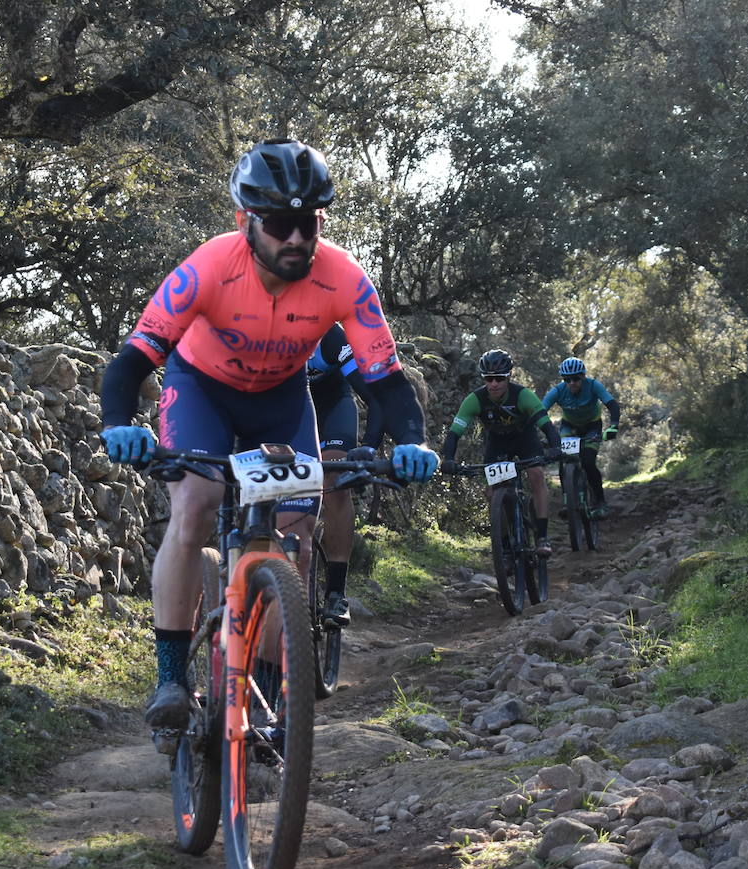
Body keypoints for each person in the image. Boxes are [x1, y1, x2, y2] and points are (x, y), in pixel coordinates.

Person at [97, 138, 439, 732]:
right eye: (280, 224)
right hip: (202, 390)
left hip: (282, 401)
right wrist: (120, 424)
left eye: (308, 223)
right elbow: (131, 362)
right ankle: (172, 676)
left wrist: (412, 440)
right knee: (196, 506)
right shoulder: (207, 266)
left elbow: (387, 382)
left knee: (297, 531)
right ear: (245, 222)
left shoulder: (344, 279)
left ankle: (273, 687)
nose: (296, 239)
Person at [440, 348, 562, 555]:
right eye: (488, 379)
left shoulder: (523, 396)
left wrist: (555, 448)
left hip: (525, 439)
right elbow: (454, 433)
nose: (494, 384)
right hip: (497, 443)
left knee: (536, 475)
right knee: (492, 492)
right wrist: (448, 459)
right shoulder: (475, 400)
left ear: (509, 376)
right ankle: (503, 544)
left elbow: (547, 426)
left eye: (499, 378)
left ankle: (542, 537)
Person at [305, 322, 383, 629]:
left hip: (334, 408)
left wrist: (369, 447)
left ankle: (335, 592)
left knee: (334, 481)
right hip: (289, 413)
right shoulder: (263, 326)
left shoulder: (331, 337)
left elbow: (375, 396)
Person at [540, 356, 621, 517]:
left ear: (583, 376)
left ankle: (600, 502)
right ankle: (568, 501)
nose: (571, 383)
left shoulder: (593, 385)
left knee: (589, 462)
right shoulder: (558, 391)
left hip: (592, 426)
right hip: (569, 426)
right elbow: (540, 411)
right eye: (567, 379)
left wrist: (614, 426)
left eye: (576, 378)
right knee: (565, 459)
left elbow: (612, 405)